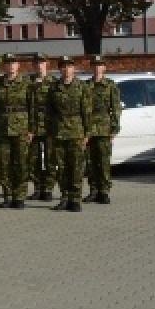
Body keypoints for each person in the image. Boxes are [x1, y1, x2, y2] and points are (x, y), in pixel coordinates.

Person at [46, 56, 92, 212]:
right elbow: (49, 112)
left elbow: (87, 112)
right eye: (63, 67)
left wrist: (87, 133)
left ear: (74, 69)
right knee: (62, 167)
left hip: (76, 132)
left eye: (69, 66)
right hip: (58, 132)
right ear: (59, 69)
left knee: (76, 167)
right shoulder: (54, 88)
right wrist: (50, 132)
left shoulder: (82, 87)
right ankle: (64, 198)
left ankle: (76, 199)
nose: (66, 70)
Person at [0, 54, 34, 209]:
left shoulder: (27, 83)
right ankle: (8, 196)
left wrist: (31, 129)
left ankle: (20, 196)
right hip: (2, 128)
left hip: (21, 128)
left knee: (21, 164)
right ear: (4, 67)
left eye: (13, 63)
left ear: (18, 65)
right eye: (7, 63)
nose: (10, 66)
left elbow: (32, 107)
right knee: (4, 164)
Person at [84, 54, 123, 204]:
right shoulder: (86, 85)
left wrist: (114, 128)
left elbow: (116, 108)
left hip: (104, 128)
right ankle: (93, 190)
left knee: (104, 162)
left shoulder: (110, 85)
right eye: (94, 65)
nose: (97, 68)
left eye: (100, 65)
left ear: (104, 68)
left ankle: (104, 191)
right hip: (89, 128)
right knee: (90, 161)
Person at [29, 53, 57, 201]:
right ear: (34, 65)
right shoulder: (29, 82)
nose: (39, 65)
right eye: (37, 63)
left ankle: (48, 189)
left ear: (47, 64)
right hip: (33, 127)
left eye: (42, 62)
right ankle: (37, 188)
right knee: (34, 160)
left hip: (49, 127)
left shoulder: (54, 83)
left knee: (50, 160)